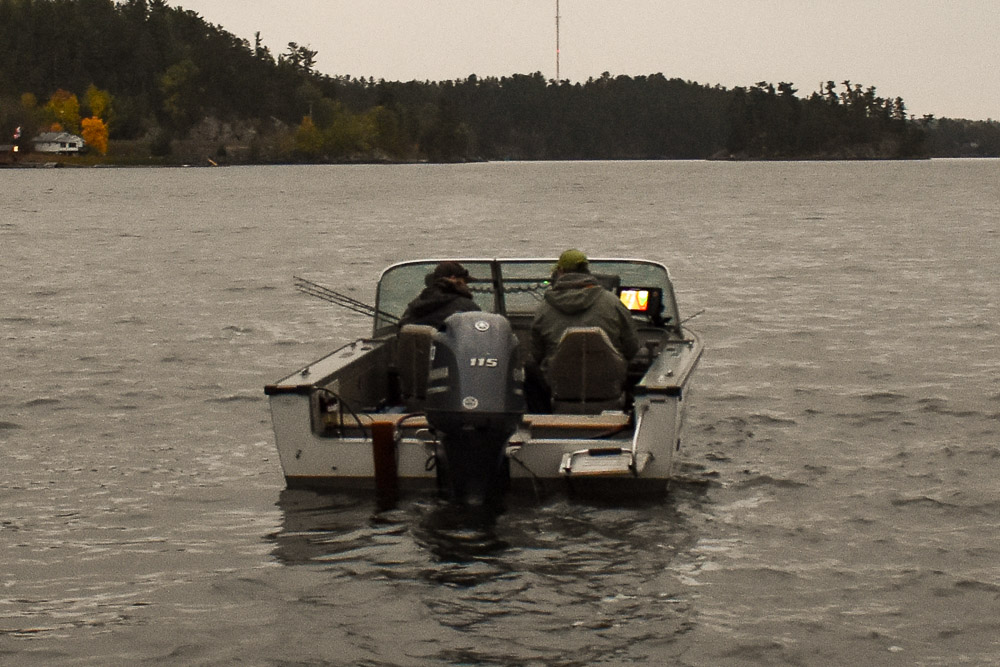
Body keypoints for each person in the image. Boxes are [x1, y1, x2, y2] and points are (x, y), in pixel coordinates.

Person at [529, 249, 639, 387]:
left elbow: (536, 354)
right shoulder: (613, 303)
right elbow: (631, 347)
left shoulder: (544, 309)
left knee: (530, 369)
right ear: (586, 269)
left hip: (560, 386)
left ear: (560, 271)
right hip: (608, 383)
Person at [399, 261, 480, 329]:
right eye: (465, 281)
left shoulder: (416, 304)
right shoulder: (467, 306)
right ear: (453, 278)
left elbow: (402, 327)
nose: (466, 286)